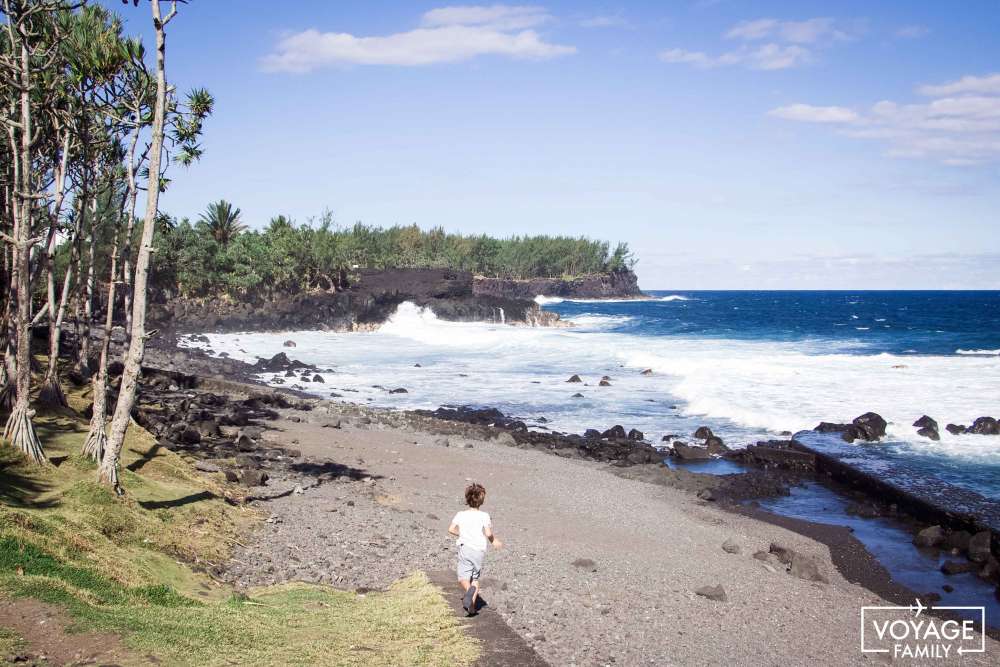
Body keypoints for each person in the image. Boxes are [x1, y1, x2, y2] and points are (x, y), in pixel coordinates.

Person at [448, 482, 502, 615]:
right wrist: (494, 541)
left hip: (465, 548)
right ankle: (471, 608)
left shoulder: (460, 514)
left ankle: (468, 590)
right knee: (475, 578)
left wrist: (462, 534)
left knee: (463, 578)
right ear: (482, 500)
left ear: (467, 499)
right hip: (479, 551)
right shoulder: (485, 515)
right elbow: (488, 533)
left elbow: (451, 529)